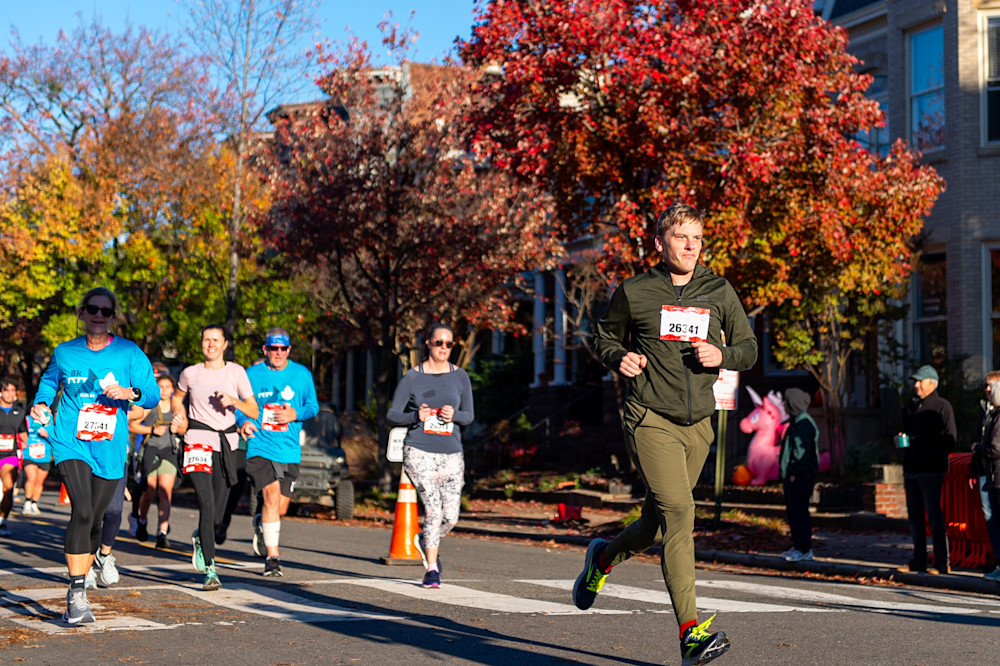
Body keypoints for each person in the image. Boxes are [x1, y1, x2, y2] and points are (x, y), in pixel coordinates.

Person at [577, 203, 757, 666]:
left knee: (656, 523)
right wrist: (618, 356)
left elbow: (749, 348)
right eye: (682, 237)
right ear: (660, 243)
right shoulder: (635, 291)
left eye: (698, 238)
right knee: (680, 512)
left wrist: (722, 355)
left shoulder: (718, 290)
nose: (692, 246)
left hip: (698, 424)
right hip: (649, 416)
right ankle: (690, 633)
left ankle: (602, 558)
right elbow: (603, 336)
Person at [29, 287, 158, 625]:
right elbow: (48, 382)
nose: (98, 315)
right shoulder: (65, 352)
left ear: (112, 316)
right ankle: (76, 593)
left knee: (98, 520)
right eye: (92, 309)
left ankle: (86, 573)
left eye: (105, 310)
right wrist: (42, 402)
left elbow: (152, 394)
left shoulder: (129, 352)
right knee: (82, 512)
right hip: (71, 441)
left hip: (109, 446)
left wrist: (130, 392)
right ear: (82, 313)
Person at [387, 324, 474, 589]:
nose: (444, 349)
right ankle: (432, 569)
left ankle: (425, 539)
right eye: (439, 343)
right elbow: (392, 414)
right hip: (419, 450)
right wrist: (416, 416)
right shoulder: (413, 377)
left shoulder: (461, 377)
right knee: (433, 509)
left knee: (451, 516)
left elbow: (469, 416)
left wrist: (454, 416)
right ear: (428, 344)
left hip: (451, 453)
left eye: (449, 344)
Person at [173, 324, 258, 591]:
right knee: (206, 504)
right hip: (197, 442)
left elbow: (253, 410)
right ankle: (210, 569)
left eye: (215, 340)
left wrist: (234, 402)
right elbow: (178, 397)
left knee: (219, 514)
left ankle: (202, 537)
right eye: (206, 339)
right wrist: (181, 415)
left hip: (227, 445)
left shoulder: (236, 372)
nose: (210, 344)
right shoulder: (190, 373)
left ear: (224, 344)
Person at [237, 328, 318, 578]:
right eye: (274, 348)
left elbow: (312, 406)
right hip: (260, 445)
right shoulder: (251, 374)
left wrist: (295, 414)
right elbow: (240, 404)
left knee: (280, 508)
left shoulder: (301, 374)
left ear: (289, 350)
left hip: (289, 449)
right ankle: (273, 558)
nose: (279, 353)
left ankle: (262, 523)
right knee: (271, 497)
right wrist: (243, 421)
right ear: (265, 350)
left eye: (283, 349)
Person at [897, 364, 956, 575]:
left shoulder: (942, 406)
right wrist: (902, 441)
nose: (917, 385)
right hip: (912, 468)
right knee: (915, 516)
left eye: (921, 381)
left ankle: (941, 562)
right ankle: (919, 560)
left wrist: (923, 444)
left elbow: (950, 440)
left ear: (933, 383)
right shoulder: (912, 407)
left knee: (933, 515)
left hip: (931, 469)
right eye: (915, 381)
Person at [131, 374, 186, 549]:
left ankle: (162, 532)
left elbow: (185, 427)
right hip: (151, 450)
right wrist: (152, 429)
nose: (164, 390)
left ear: (172, 389)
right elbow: (132, 425)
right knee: (149, 490)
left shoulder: (177, 405)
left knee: (165, 491)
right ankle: (142, 519)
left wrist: (179, 427)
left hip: (169, 451)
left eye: (168, 387)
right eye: (161, 386)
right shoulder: (150, 404)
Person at [778, 388, 820, 563]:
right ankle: (798, 546)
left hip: (799, 477)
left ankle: (804, 548)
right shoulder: (797, 422)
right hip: (795, 476)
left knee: (800, 512)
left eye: (786, 402)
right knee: (794, 512)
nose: (783, 405)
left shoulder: (803, 424)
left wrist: (794, 472)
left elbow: (801, 452)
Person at [971, 373, 1000, 580]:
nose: (987, 390)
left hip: (995, 473)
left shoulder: (997, 415)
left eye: (991, 386)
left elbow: (995, 448)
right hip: (986, 471)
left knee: (994, 518)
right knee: (991, 518)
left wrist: (979, 447)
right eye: (986, 386)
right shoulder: (987, 411)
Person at [0, 378, 28, 535]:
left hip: (9, 456)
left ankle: (2, 522)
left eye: (13, 390)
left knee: (9, 487)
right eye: (7, 390)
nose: (10, 394)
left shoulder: (20, 412)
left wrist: (25, 439)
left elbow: (23, 432)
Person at [21, 411, 52, 515]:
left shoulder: (50, 421)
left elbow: (55, 438)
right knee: (31, 478)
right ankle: (27, 502)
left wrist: (47, 435)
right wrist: (21, 441)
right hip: (29, 454)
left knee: (39, 482)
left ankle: (34, 503)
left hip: (44, 456)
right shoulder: (27, 419)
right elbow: (19, 432)